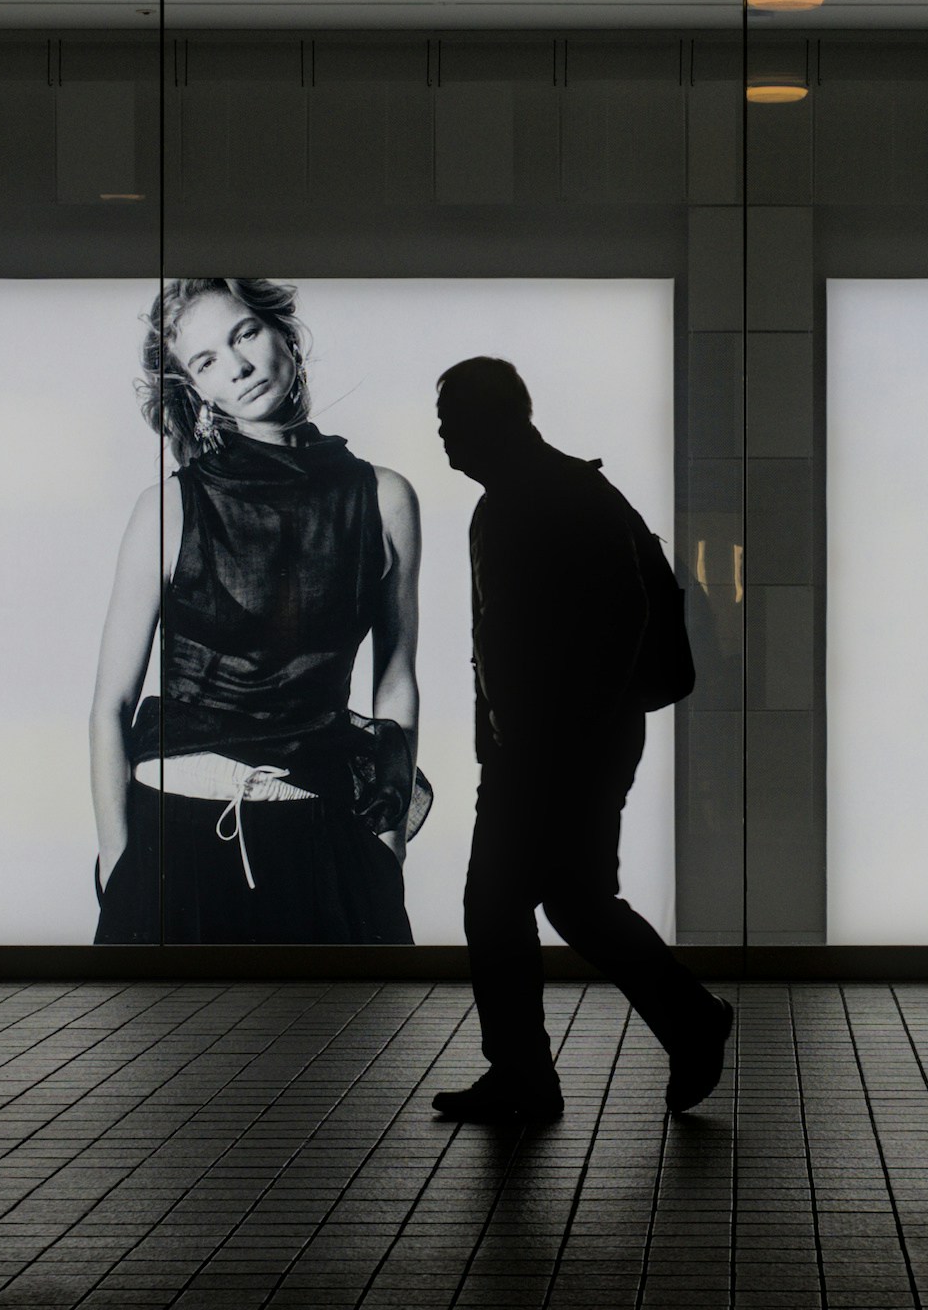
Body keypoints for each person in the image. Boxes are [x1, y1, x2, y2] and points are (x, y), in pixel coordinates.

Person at [428, 355, 732, 1127]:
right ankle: (685, 1019)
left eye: (450, 417)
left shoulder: (544, 498)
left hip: (554, 750)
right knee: (576, 900)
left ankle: (527, 1074)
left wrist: (539, 738)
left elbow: (610, 625)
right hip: (564, 745)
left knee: (497, 904)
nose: (441, 435)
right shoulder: (552, 493)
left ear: (495, 418)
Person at [89, 277, 426, 941]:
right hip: (174, 837)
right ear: (196, 389)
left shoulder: (385, 497)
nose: (238, 366)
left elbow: (396, 682)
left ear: (284, 334)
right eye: (207, 360)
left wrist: (390, 848)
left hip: (322, 835)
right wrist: (118, 860)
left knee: (345, 1045)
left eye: (245, 334)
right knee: (160, 1049)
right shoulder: (170, 505)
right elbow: (109, 706)